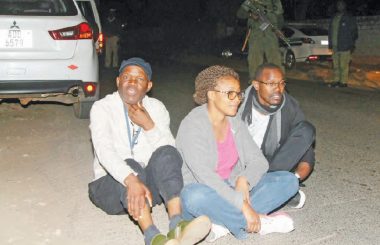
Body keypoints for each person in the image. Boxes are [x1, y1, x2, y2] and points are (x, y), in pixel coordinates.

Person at [88, 57, 211, 245]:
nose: (132, 82)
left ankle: (177, 223)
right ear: (118, 81)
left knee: (166, 153)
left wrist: (149, 125)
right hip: (110, 186)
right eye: (127, 76)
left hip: (148, 187)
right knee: (130, 164)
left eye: (139, 79)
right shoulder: (102, 108)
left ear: (148, 85)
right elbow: (104, 151)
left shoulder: (156, 108)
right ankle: (153, 236)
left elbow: (171, 151)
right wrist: (131, 179)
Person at [176, 65, 299, 242]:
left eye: (239, 94)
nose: (237, 100)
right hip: (207, 190)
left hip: (233, 186)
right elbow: (205, 177)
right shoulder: (193, 125)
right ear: (211, 94)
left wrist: (244, 180)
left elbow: (259, 160)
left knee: (288, 180)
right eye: (230, 94)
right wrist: (242, 205)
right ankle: (260, 223)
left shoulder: (234, 121)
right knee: (193, 196)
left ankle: (220, 224)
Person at [239, 63, 316, 209]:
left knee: (307, 129)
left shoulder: (289, 106)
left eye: (281, 83)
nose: (278, 89)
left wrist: (295, 178)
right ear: (256, 84)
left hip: (269, 165)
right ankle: (273, 192)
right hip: (238, 161)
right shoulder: (237, 103)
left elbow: (305, 149)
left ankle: (270, 185)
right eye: (271, 84)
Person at [237, 0, 284, 79]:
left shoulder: (275, 2)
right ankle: (254, 82)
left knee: (275, 60)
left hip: (271, 35)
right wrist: (251, 15)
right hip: (255, 35)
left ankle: (278, 81)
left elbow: (280, 17)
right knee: (254, 60)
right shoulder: (251, 1)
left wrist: (279, 29)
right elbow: (240, 14)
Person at [328, 0, 358, 88]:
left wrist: (351, 44)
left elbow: (354, 32)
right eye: (338, 5)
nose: (339, 6)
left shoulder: (349, 17)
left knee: (343, 65)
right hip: (335, 46)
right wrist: (330, 44)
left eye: (341, 5)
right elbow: (330, 31)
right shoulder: (334, 17)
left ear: (345, 6)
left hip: (345, 46)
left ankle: (343, 82)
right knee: (336, 65)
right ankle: (336, 80)